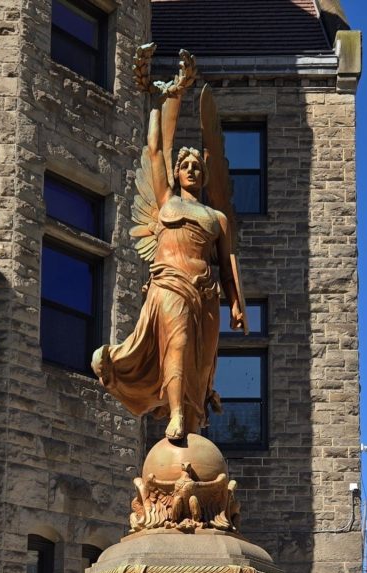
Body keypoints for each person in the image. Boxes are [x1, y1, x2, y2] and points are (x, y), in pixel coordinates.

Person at [92, 99, 244, 442]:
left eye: (197, 167)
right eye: (185, 165)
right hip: (170, 285)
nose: (191, 169)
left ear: (204, 177)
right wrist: (159, 102)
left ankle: (192, 420)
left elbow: (227, 263)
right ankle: (175, 415)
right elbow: (155, 148)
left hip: (205, 293)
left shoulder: (217, 219)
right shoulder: (167, 202)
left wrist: (234, 302)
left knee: (203, 367)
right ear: (176, 173)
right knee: (177, 345)